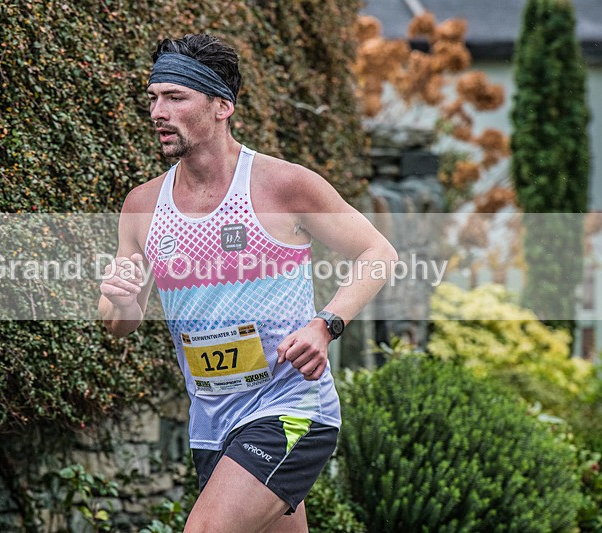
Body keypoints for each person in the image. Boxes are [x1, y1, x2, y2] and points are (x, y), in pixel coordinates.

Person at [98, 33, 398, 533]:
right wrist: (119, 300)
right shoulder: (143, 205)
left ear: (222, 106)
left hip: (291, 407)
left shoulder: (281, 185)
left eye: (175, 97)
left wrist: (325, 325)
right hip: (213, 421)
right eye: (153, 98)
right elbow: (118, 325)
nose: (157, 111)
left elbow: (377, 252)